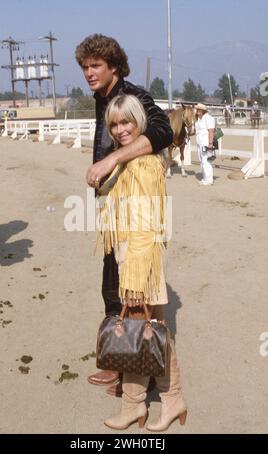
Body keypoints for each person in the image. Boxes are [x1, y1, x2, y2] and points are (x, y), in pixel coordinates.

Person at [75, 34, 173, 391]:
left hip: (136, 211)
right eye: (85, 67)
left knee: (131, 290)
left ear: (113, 66)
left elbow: (163, 130)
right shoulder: (102, 99)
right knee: (112, 286)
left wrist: (111, 160)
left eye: (95, 66)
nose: (88, 72)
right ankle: (124, 361)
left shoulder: (131, 96)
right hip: (114, 209)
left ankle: (133, 369)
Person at [98, 94, 186, 431]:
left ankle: (165, 399)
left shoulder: (144, 165)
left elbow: (145, 225)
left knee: (145, 331)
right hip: (135, 258)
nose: (120, 130)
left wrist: (134, 278)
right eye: (115, 124)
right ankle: (137, 404)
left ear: (140, 122)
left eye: (127, 122)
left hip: (141, 259)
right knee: (144, 332)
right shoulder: (128, 162)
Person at [195, 103, 215, 186]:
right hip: (200, 143)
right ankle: (204, 178)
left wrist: (210, 143)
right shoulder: (199, 119)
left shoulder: (208, 118)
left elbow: (211, 131)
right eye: (197, 109)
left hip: (206, 143)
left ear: (202, 111)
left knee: (206, 161)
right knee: (201, 161)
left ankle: (209, 180)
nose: (197, 111)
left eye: (198, 110)